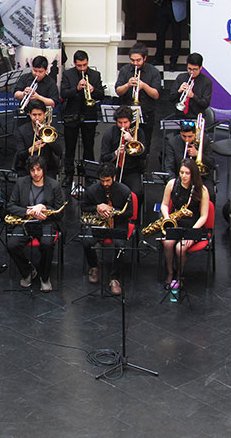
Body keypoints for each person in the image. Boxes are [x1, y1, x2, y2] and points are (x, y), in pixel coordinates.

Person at [6, 155, 65, 292]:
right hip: (25, 222)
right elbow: (11, 206)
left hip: (46, 222)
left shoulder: (54, 185)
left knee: (47, 244)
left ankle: (45, 277)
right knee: (12, 245)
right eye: (32, 170)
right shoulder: (21, 183)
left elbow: (60, 211)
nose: (36, 173)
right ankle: (28, 271)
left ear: (43, 170)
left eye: (38, 170)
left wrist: (44, 208)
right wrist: (29, 212)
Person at [81, 162, 133, 296]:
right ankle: (93, 266)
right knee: (87, 241)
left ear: (114, 178)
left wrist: (112, 210)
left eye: (108, 181)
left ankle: (114, 277)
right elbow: (83, 207)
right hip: (99, 223)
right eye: (102, 181)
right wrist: (97, 207)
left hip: (118, 223)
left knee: (120, 245)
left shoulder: (124, 191)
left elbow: (129, 213)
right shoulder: (92, 190)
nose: (105, 184)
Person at [160, 158, 210, 287]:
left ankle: (179, 276)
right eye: (181, 172)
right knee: (167, 244)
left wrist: (192, 232)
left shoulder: (202, 190)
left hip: (193, 225)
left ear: (193, 174)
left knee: (180, 248)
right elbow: (164, 205)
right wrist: (166, 218)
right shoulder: (172, 184)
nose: (183, 176)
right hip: (176, 222)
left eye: (187, 173)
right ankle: (170, 273)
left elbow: (204, 216)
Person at [60, 50, 105, 186]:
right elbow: (63, 93)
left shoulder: (95, 75)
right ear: (74, 63)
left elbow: (101, 94)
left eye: (85, 65)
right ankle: (68, 174)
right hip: (71, 115)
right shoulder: (68, 74)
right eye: (79, 66)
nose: (82, 68)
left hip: (89, 114)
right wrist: (77, 88)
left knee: (89, 147)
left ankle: (89, 174)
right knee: (70, 148)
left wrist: (93, 90)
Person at [114, 42, 161, 155]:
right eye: (132, 60)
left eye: (138, 60)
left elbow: (156, 95)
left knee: (145, 145)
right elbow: (118, 91)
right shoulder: (125, 70)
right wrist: (127, 85)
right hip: (127, 116)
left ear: (145, 58)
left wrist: (144, 86)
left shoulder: (153, 71)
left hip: (146, 114)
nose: (135, 63)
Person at [100, 106, 146, 203]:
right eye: (120, 123)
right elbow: (103, 157)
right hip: (114, 170)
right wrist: (115, 154)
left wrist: (132, 141)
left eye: (125, 122)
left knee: (137, 194)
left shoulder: (139, 132)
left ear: (130, 121)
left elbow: (143, 155)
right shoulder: (109, 134)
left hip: (132, 170)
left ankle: (134, 217)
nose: (123, 126)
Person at [163, 120, 216, 201]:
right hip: (181, 177)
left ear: (195, 134)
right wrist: (173, 183)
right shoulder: (173, 143)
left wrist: (198, 154)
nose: (187, 140)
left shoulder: (204, 140)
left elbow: (211, 163)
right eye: (184, 136)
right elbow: (169, 166)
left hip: (201, 178)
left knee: (210, 194)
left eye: (190, 136)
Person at [14, 99, 62, 178]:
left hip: (47, 169)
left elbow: (59, 152)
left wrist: (48, 138)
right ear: (29, 114)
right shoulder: (22, 130)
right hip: (28, 169)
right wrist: (32, 149)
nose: (37, 118)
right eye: (34, 115)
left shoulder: (51, 130)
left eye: (40, 115)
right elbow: (20, 155)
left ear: (45, 114)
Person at [169, 53, 212, 119]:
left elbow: (205, 104)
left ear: (200, 68)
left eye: (195, 69)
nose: (191, 72)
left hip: (196, 117)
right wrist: (179, 91)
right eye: (189, 69)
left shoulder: (206, 82)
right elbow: (171, 99)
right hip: (180, 116)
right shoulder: (181, 77)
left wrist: (193, 96)